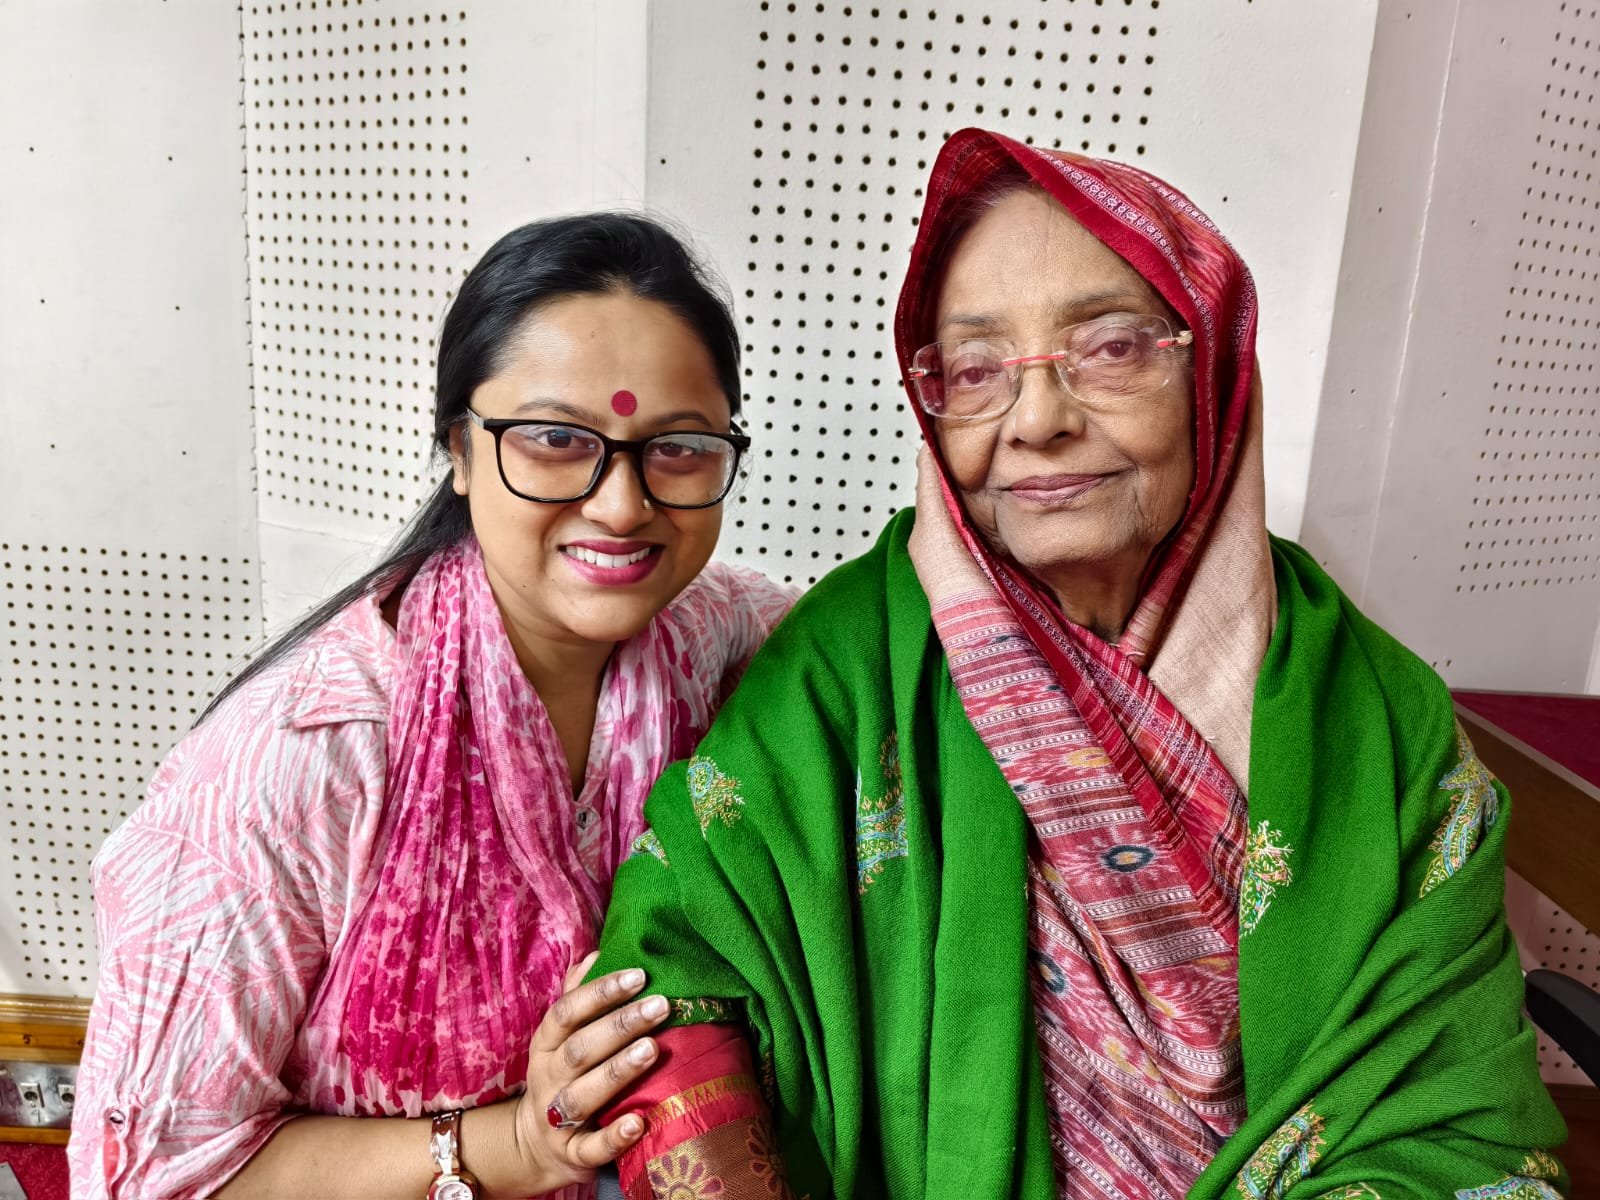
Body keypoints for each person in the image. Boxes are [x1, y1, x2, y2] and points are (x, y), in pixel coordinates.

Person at [586, 130, 1570, 1198]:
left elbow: (1456, 1112)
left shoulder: (1377, 713)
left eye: (1109, 349)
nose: (1040, 420)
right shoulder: (848, 661)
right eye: (975, 370)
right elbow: (674, 969)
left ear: (1212, 366)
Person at [70, 213, 796, 1200]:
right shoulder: (301, 761)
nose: (622, 505)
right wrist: (519, 1146)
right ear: (460, 448)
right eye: (555, 439)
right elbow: (152, 1179)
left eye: (676, 446)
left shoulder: (730, 642)